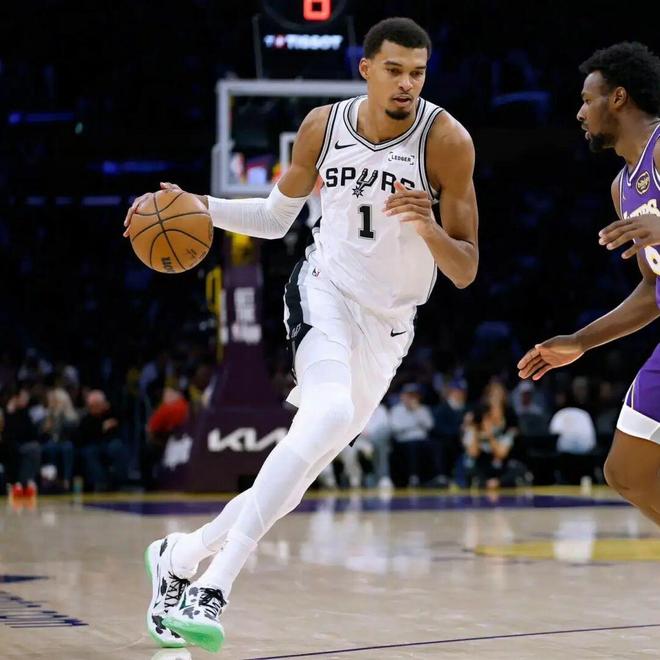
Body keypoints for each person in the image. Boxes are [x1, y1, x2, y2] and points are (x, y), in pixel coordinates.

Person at [125, 17, 478, 652]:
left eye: (418, 73)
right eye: (394, 70)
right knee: (328, 413)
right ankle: (214, 587)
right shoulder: (323, 126)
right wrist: (199, 205)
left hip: (390, 326)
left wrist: (428, 227)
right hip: (324, 292)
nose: (407, 83)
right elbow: (273, 218)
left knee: (304, 464)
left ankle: (179, 555)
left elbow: (466, 269)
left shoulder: (446, 141)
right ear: (366, 70)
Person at [518, 43, 660, 519]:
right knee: (627, 472)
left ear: (618, 98)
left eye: (586, 99)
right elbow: (652, 289)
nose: (580, 113)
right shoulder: (623, 188)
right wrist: (581, 341)